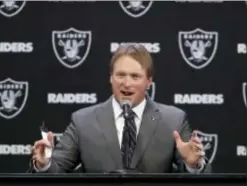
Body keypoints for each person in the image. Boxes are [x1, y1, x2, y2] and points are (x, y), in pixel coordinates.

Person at [31, 43, 211, 173]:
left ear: (149, 81)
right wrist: (43, 164)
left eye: (135, 76)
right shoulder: (83, 121)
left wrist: (193, 165)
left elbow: (197, 178)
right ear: (110, 78)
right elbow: (57, 169)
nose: (127, 83)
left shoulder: (173, 120)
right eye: (120, 75)